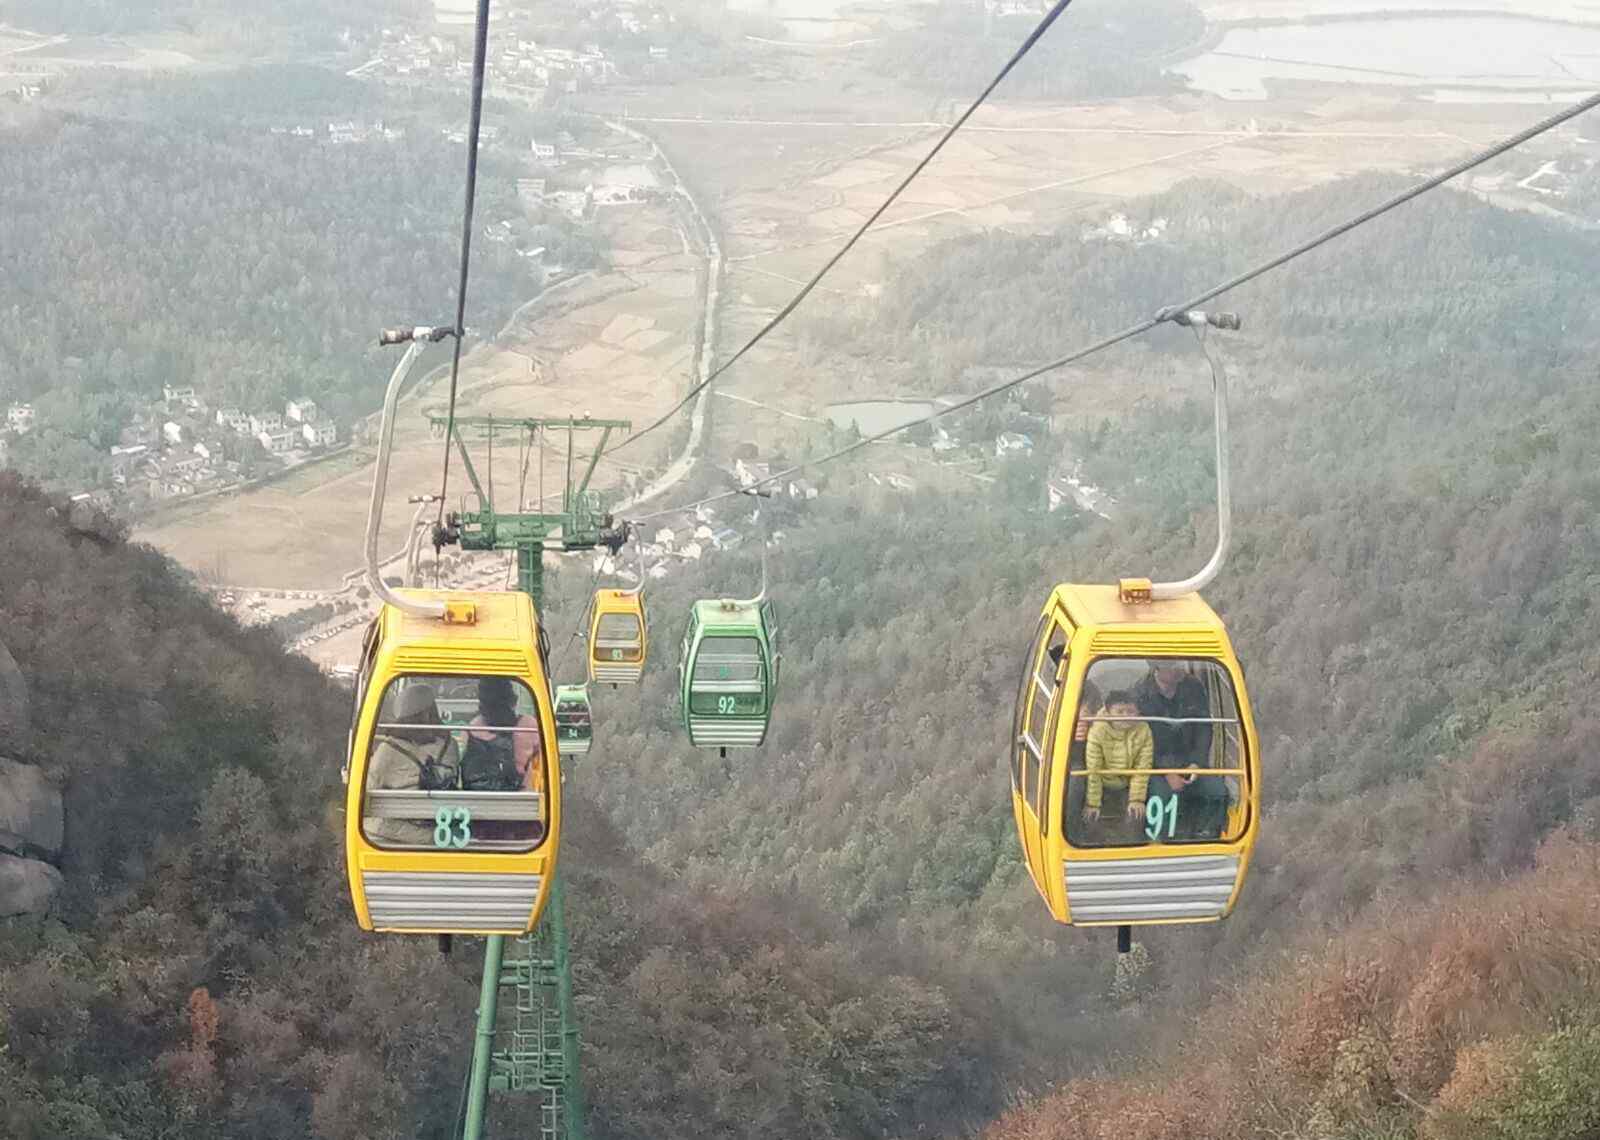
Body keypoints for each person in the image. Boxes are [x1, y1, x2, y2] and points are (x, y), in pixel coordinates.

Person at [1134, 662, 1227, 839]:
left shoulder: (1194, 688)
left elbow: (1203, 729)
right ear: (1157, 668)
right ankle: (1159, 842)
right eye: (1173, 664)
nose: (1180, 668)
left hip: (1188, 762)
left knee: (1217, 792)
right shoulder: (1140, 694)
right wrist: (1166, 771)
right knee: (1162, 798)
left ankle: (1207, 840)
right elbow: (1139, 741)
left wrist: (1196, 763)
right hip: (1154, 766)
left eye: (1180, 663)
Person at [364, 683, 458, 847]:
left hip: (398, 833)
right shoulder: (450, 745)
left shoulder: (387, 750)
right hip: (440, 831)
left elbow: (367, 788)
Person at [467, 677, 544, 841]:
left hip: (481, 818)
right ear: (512, 699)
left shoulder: (474, 727)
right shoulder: (530, 725)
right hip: (521, 815)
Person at [1081, 689, 1153, 842]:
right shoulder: (1097, 730)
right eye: (1119, 712)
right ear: (1107, 712)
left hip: (1128, 783)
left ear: (1138, 712)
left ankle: (1132, 851)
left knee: (1136, 816)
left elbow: (1142, 767)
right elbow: (1094, 769)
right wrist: (1093, 803)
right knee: (1089, 817)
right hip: (1103, 782)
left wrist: (1137, 800)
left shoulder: (1144, 730)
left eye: (1130, 712)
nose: (1125, 716)